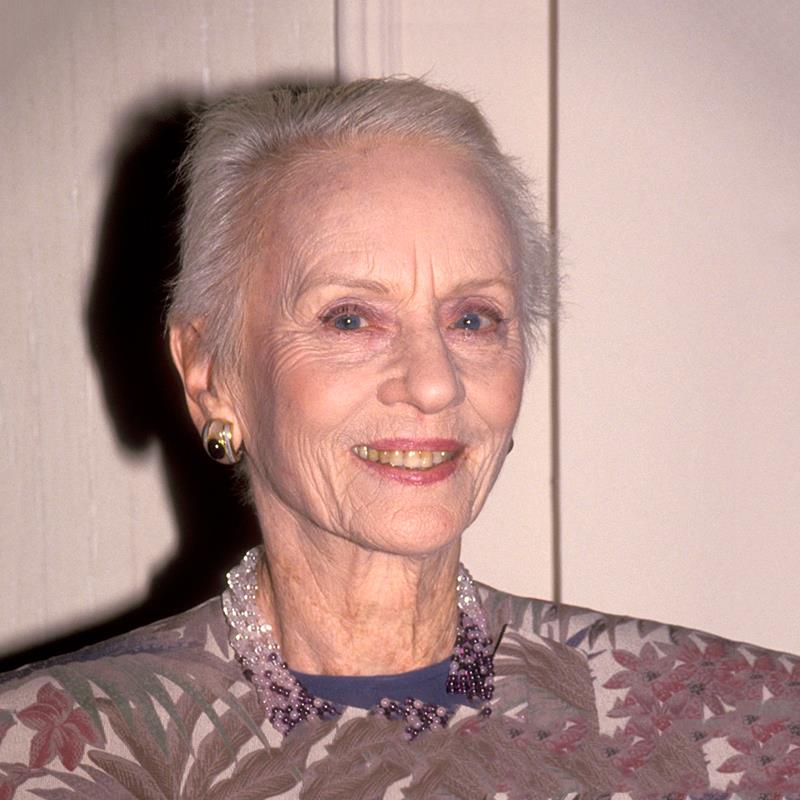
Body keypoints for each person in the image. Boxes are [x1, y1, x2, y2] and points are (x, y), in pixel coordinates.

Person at [1, 78, 798, 800]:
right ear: (210, 372)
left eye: (473, 319)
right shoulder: (46, 752)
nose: (434, 383)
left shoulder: (745, 729)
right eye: (351, 318)